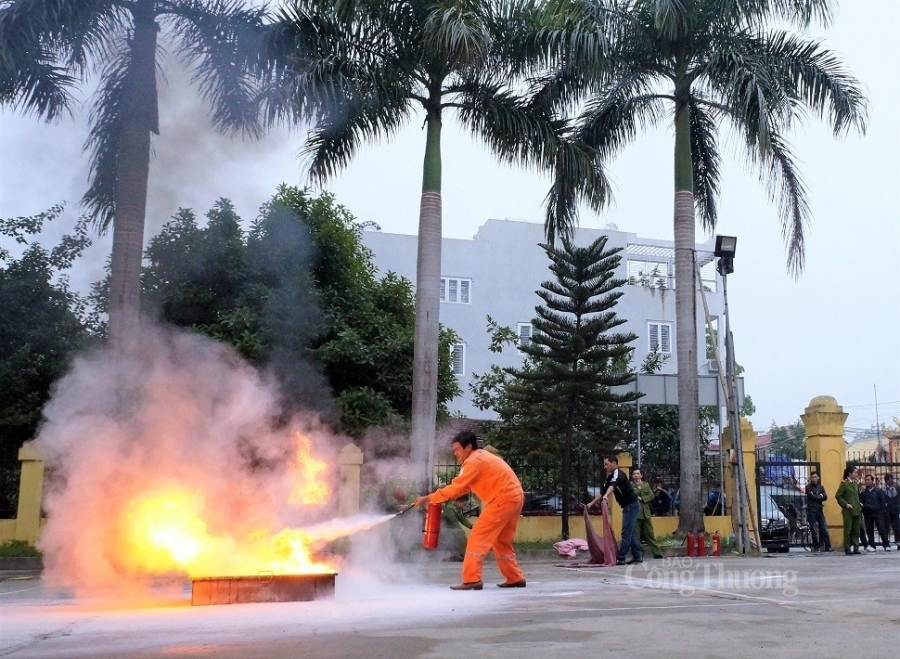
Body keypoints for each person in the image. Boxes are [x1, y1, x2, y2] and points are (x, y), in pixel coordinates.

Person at [412, 431, 526, 591]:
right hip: (515, 496)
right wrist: (435, 498)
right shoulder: (481, 457)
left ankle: (472, 579)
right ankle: (515, 577)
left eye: (457, 449)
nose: (455, 453)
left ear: (469, 447)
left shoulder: (473, 461)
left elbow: (456, 487)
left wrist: (428, 498)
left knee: (477, 538)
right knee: (501, 541)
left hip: (503, 499)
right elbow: (462, 489)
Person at [588, 455, 641, 566]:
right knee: (629, 533)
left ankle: (621, 558)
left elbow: (612, 486)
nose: (605, 466)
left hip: (632, 505)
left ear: (613, 463)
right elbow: (603, 491)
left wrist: (607, 495)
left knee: (626, 533)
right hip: (628, 506)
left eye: (606, 464)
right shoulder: (610, 476)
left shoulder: (618, 474)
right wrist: (591, 504)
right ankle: (637, 556)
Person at [631, 468, 662, 559]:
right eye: (634, 474)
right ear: (632, 476)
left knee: (650, 534)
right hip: (636, 513)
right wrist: (639, 488)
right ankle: (638, 554)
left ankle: (657, 553)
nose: (636, 475)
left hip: (646, 513)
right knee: (636, 536)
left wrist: (642, 498)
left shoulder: (646, 485)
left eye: (638, 474)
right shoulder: (631, 486)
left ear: (641, 475)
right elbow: (632, 495)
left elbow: (651, 495)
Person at [859, 474, 891, 552]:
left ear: (872, 481)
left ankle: (886, 544)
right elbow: (861, 502)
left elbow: (882, 501)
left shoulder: (878, 491)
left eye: (868, 480)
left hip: (878, 513)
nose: (867, 481)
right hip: (868, 514)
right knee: (869, 530)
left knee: (881, 529)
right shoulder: (863, 492)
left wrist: (881, 510)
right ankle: (872, 545)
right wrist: (864, 509)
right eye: (866, 480)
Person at [835, 466, 862, 555]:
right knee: (848, 530)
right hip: (848, 511)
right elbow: (838, 495)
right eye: (855, 472)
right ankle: (847, 547)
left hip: (856, 510)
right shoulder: (844, 483)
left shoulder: (855, 483)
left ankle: (856, 547)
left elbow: (857, 496)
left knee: (856, 530)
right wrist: (845, 504)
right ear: (850, 473)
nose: (856, 474)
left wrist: (860, 503)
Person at [805, 472, 832, 552]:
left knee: (824, 529)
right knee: (814, 530)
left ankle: (828, 547)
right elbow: (811, 496)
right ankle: (816, 547)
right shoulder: (808, 487)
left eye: (815, 477)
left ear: (818, 477)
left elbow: (825, 497)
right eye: (812, 477)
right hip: (811, 510)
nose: (814, 479)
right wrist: (819, 496)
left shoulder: (821, 487)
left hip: (819, 510)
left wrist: (818, 497)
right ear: (810, 478)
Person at [882, 474, 900, 550]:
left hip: (895, 510)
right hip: (886, 511)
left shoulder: (897, 488)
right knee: (886, 528)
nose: (893, 480)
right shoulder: (882, 490)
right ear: (887, 481)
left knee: (897, 527)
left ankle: (898, 542)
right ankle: (886, 544)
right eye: (891, 479)